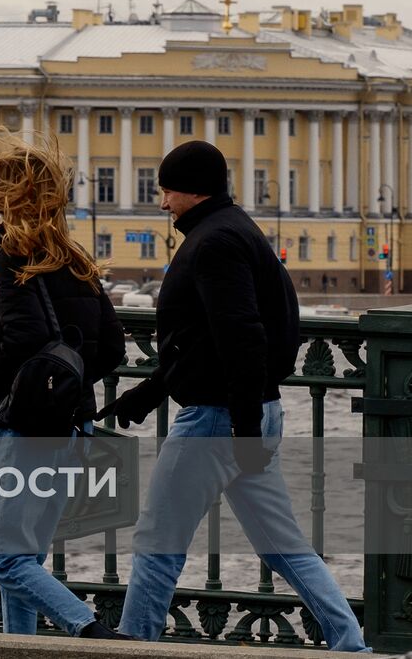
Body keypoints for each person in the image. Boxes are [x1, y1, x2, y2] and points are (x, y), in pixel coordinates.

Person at [98, 141, 370, 652]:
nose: (162, 203)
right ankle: (350, 644)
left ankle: (134, 644)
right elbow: (206, 340)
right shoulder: (236, 230)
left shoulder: (214, 242)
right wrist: (150, 393)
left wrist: (241, 429)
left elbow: (240, 336)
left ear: (193, 189)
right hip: (251, 413)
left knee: (158, 540)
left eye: (167, 191)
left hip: (217, 421)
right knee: (282, 546)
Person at [0, 128, 129, 639]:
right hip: (72, 425)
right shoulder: (75, 257)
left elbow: (25, 334)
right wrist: (67, 382)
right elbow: (113, 347)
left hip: (28, 430)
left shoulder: (13, 252)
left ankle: (89, 630)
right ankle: (19, 649)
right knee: (24, 558)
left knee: (5, 562)